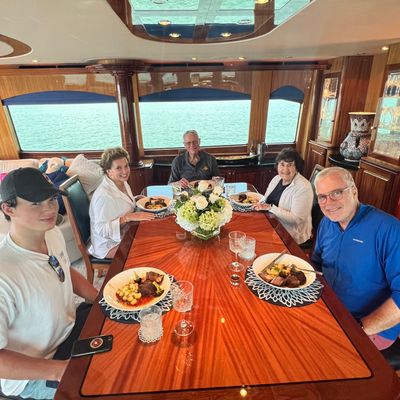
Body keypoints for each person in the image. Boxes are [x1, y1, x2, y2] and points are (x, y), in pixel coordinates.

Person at [0, 167, 98, 399]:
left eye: (52, 199)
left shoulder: (51, 233)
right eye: (36, 203)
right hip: (34, 372)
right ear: (8, 208)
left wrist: (101, 300)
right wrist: (60, 370)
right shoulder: (4, 274)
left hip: (67, 331)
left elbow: (64, 270)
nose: (50, 209)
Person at [311, 167, 400, 350]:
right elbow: (316, 264)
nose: (328, 203)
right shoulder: (327, 222)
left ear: (353, 191)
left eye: (336, 193)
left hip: (368, 327)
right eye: (322, 197)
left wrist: (359, 329)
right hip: (329, 311)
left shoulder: (388, 229)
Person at [89, 147, 155, 259]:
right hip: (108, 245)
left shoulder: (121, 182)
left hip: (126, 230)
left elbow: (120, 203)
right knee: (148, 250)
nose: (125, 171)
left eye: (126, 166)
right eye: (118, 168)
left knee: (153, 234)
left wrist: (136, 199)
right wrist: (126, 218)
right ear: (109, 171)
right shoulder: (104, 196)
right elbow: (101, 230)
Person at [253, 148, 313, 245]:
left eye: (290, 165)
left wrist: (270, 208)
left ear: (297, 167)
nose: (285, 169)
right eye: (282, 164)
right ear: (277, 165)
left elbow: (296, 220)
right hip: (272, 224)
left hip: (290, 235)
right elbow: (265, 200)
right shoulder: (276, 179)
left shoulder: (303, 187)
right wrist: (257, 203)